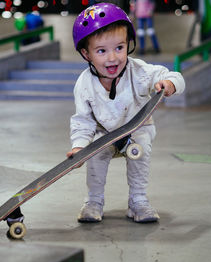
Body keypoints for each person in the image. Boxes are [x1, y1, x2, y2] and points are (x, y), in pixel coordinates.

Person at [67, 3, 185, 223]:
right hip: (105, 133)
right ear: (86, 53)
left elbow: (173, 75)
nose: (113, 58)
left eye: (119, 48)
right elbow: (82, 120)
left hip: (137, 129)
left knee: (140, 151)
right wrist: (79, 147)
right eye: (102, 51)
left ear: (128, 45)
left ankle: (138, 201)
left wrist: (170, 83)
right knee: (96, 156)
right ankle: (93, 201)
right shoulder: (84, 83)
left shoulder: (139, 71)